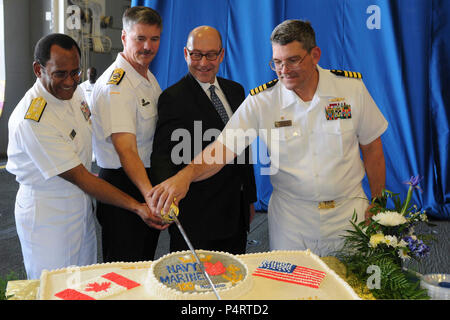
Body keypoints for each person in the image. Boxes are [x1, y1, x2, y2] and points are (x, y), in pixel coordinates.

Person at [149, 19, 388, 257]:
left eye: (293, 60)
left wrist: (377, 202)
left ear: (315, 55)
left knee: (353, 290)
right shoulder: (262, 100)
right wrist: (186, 176)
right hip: (292, 222)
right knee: (291, 290)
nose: (284, 70)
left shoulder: (350, 89)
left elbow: (372, 148)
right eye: (277, 62)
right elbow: (222, 149)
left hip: (349, 215)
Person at [6, 33, 165, 279]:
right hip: (48, 213)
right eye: (60, 73)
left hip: (80, 206)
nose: (70, 81)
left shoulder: (75, 93)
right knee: (55, 286)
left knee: (85, 282)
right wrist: (137, 207)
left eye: (75, 72)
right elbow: (81, 177)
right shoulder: (33, 119)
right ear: (39, 69)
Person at [150, 26, 257, 254]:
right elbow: (162, 157)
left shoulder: (236, 91)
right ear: (186, 54)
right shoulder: (172, 98)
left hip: (236, 213)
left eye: (211, 55)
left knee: (235, 281)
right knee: (194, 286)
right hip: (196, 216)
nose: (203, 62)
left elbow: (243, 147)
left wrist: (249, 197)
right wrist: (167, 202)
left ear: (222, 55)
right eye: (196, 54)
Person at [90, 6, 168, 263]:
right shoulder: (118, 85)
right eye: (140, 38)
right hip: (123, 185)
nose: (148, 46)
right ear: (124, 37)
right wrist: (150, 197)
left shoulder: (145, 76)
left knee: (144, 264)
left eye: (154, 39)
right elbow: (126, 150)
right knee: (123, 272)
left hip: (142, 181)